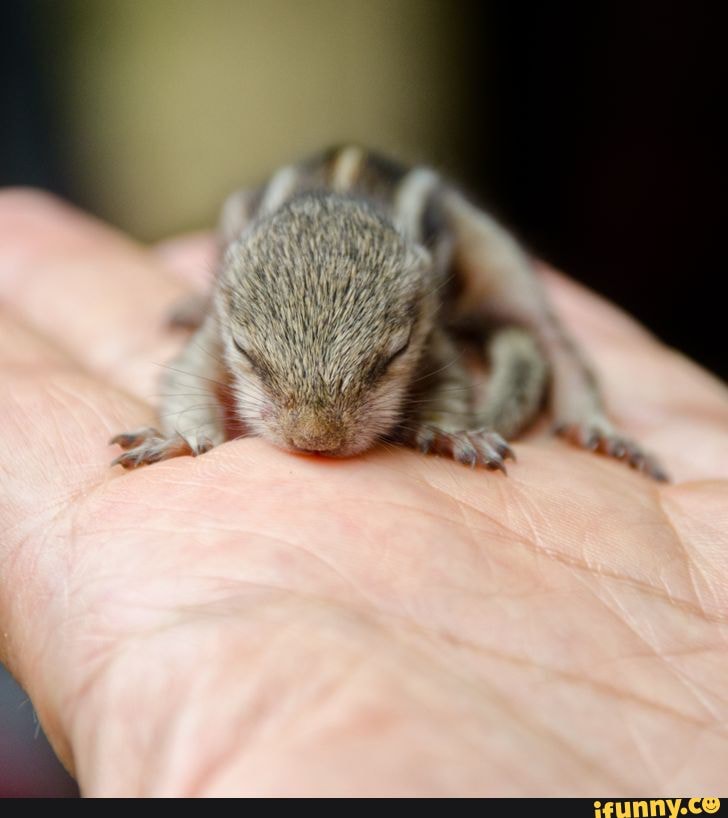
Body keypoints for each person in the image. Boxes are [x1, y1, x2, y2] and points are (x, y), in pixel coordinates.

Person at [0, 190, 726, 797]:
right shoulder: (229, 314)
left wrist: (449, 428)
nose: (315, 432)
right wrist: (187, 433)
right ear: (225, 313)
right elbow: (197, 377)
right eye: (260, 370)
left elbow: (442, 382)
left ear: (419, 312)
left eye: (373, 373)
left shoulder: (427, 312)